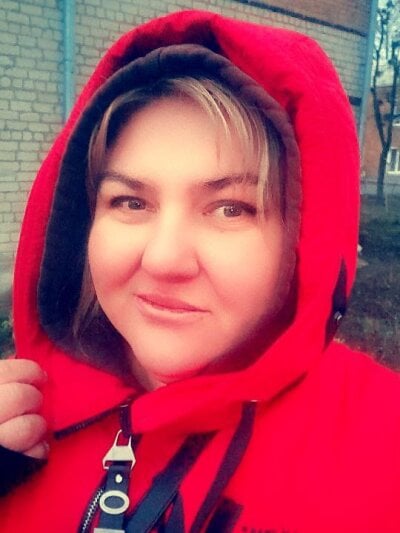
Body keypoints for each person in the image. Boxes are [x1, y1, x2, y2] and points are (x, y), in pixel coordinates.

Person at [1, 9, 400, 533]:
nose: (164, 260)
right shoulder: (19, 414)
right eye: (130, 201)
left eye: (230, 209)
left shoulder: (383, 450)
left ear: (305, 240)